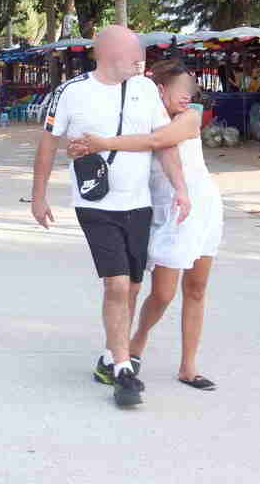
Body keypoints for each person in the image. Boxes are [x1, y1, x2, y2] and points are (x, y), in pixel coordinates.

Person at [30, 25, 190, 408]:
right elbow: (48, 146)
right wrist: (38, 196)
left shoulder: (146, 89)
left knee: (132, 287)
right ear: (110, 54)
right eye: (135, 52)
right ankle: (123, 371)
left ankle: (109, 356)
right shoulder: (70, 93)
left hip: (139, 204)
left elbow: (164, 143)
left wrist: (180, 187)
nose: (141, 59)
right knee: (116, 285)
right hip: (96, 205)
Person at [69, 59, 222, 391]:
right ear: (160, 90)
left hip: (203, 207)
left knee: (196, 289)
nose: (188, 96)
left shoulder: (189, 118)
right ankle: (136, 341)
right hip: (166, 214)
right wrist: (83, 147)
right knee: (163, 293)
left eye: (190, 89)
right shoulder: (137, 123)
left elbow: (157, 142)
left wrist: (104, 142)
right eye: (181, 89)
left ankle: (188, 367)